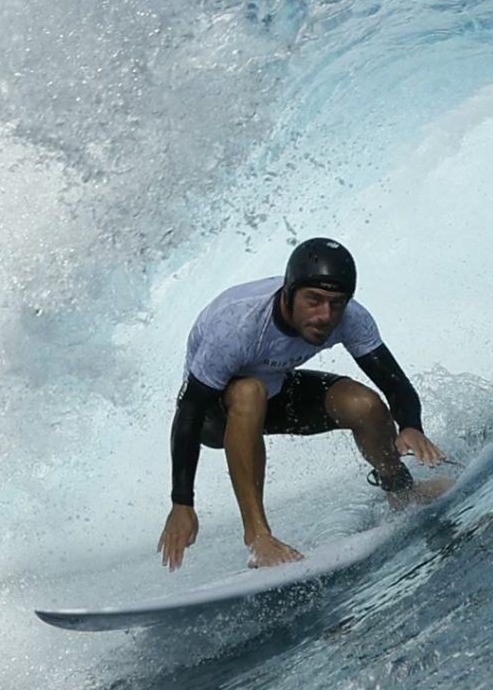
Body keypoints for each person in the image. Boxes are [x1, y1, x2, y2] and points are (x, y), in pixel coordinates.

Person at [158, 237, 447, 570]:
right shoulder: (237, 324)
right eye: (314, 301)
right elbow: (189, 410)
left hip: (276, 393)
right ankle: (258, 539)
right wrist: (182, 502)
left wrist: (411, 425)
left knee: (363, 404)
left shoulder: (350, 317)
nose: (325, 315)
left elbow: (393, 381)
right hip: (215, 416)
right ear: (288, 292)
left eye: (336, 304)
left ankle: (401, 490)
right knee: (249, 392)